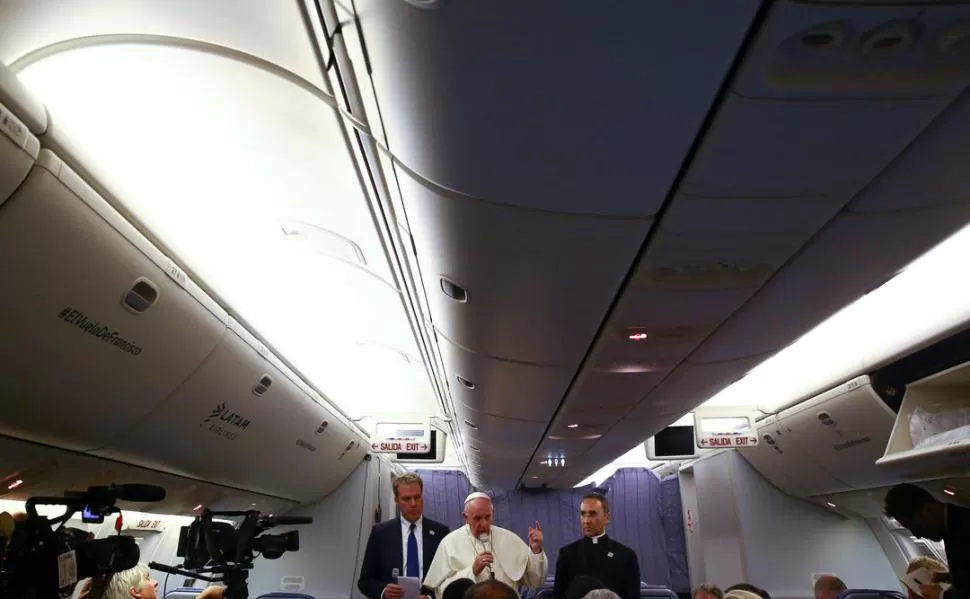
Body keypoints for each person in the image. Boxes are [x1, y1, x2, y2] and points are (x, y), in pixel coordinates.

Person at [423, 492, 547, 596]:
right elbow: (443, 589)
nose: (484, 524)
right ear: (465, 517)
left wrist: (536, 551)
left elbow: (535, 581)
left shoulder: (509, 539)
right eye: (477, 518)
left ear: (493, 513)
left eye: (487, 517)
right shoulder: (449, 543)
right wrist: (472, 571)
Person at [358, 472, 451, 599]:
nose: (413, 504)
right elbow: (365, 581)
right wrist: (384, 592)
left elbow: (449, 579)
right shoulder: (381, 534)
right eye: (407, 499)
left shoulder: (441, 533)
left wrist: (430, 597)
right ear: (396, 500)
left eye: (417, 497)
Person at [885, 483, 968, 599]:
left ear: (927, 510)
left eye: (915, 527)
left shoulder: (964, 527)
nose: (917, 535)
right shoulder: (952, 528)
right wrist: (950, 576)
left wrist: (942, 595)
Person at [554, 494, 640, 599]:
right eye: (583, 514)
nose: (586, 521)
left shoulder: (626, 556)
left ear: (607, 518)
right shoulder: (567, 554)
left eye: (592, 514)